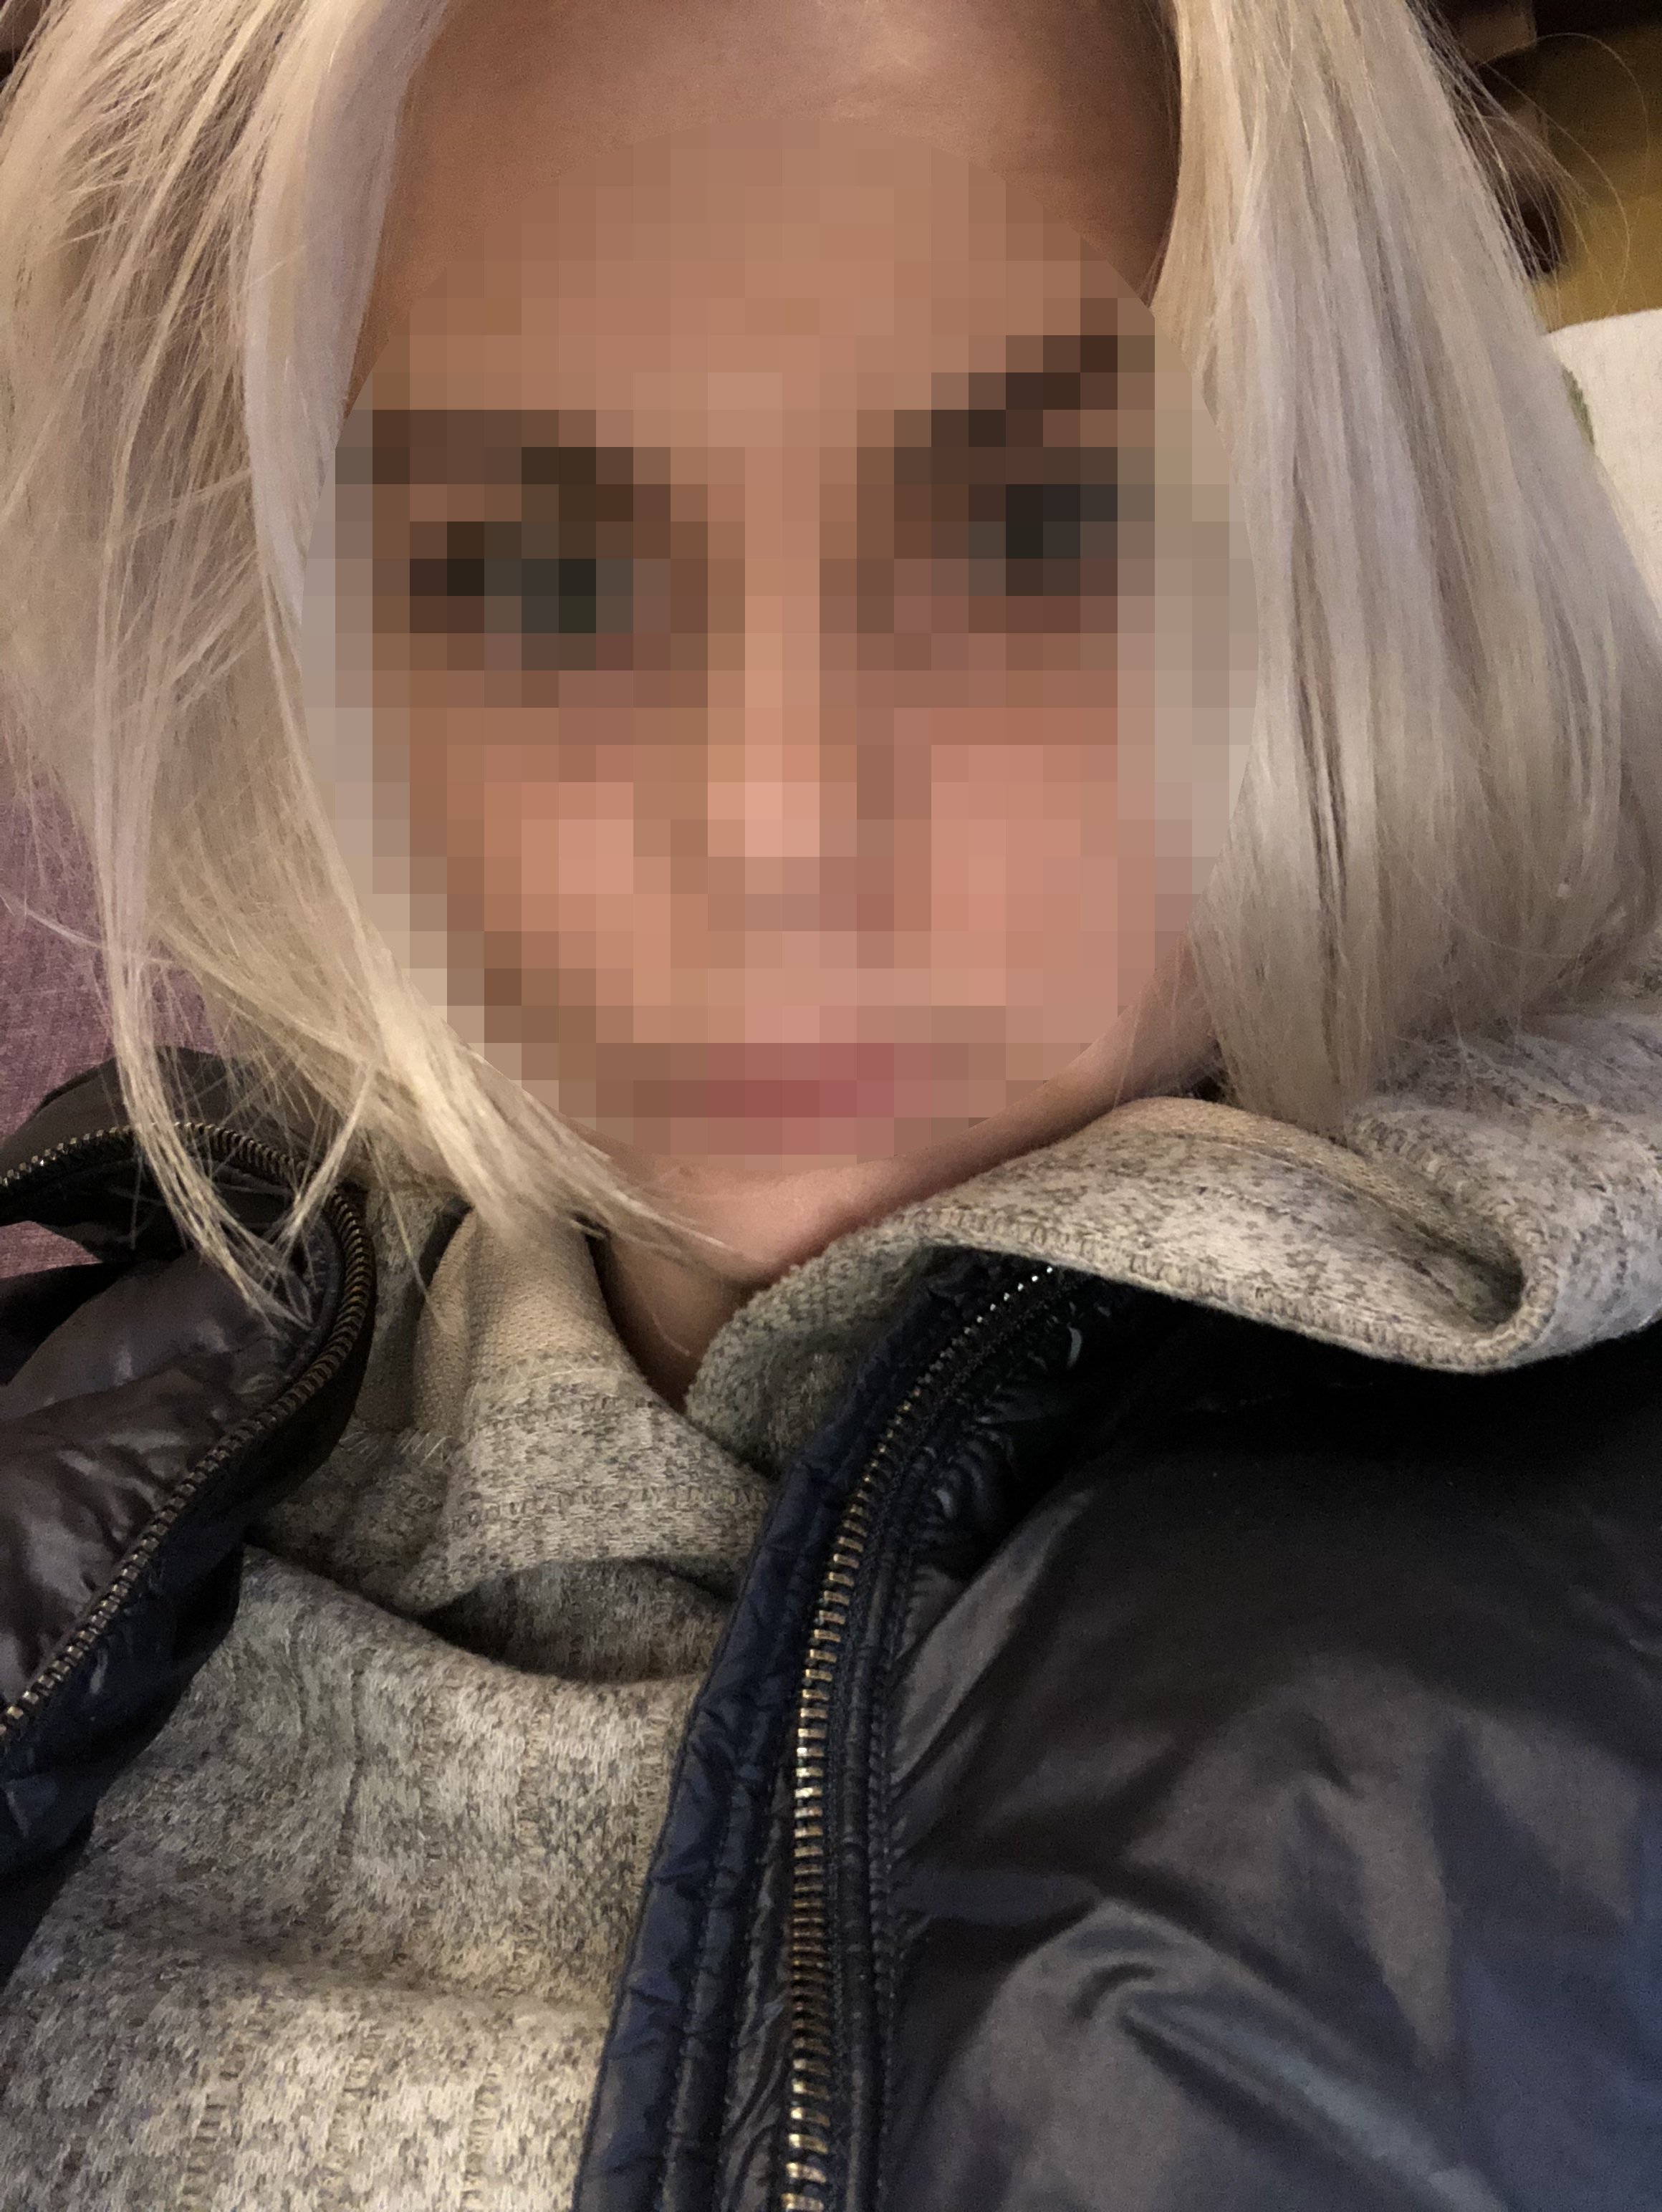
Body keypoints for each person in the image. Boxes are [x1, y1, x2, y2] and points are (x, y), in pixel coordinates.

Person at [1, 1, 1661, 2207]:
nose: (775, 821)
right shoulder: (86, 1419)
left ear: (1343, 548)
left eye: (1031, 525)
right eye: (541, 572)